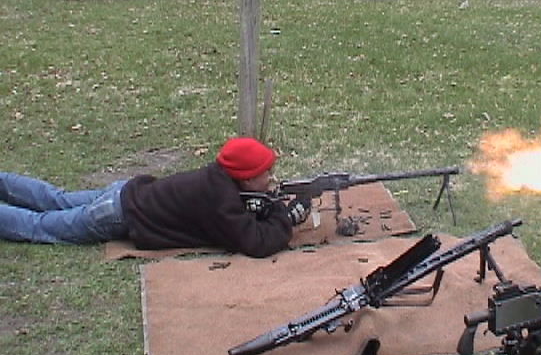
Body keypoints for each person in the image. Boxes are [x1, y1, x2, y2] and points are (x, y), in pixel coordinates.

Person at [0, 137, 310, 258]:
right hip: (117, 213)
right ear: (246, 177)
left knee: (57, 198)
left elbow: (244, 213)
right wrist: (285, 217)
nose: (271, 178)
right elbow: (254, 243)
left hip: (124, 192)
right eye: (266, 173)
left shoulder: (218, 179)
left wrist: (269, 206)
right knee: (41, 226)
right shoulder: (222, 200)